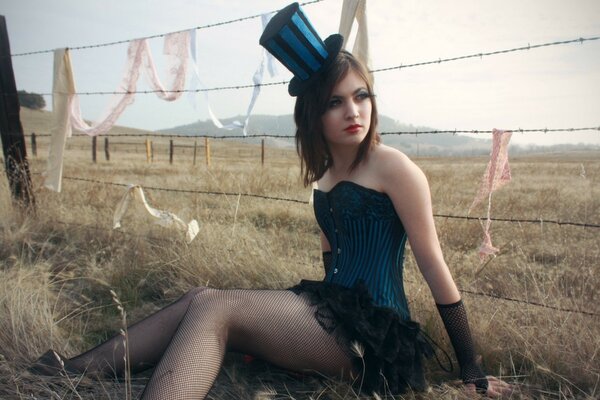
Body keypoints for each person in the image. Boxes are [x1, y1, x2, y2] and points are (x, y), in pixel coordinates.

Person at [31, 3, 512, 399]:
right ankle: (78, 370)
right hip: (328, 312)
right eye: (335, 102)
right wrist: (287, 325)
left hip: (372, 337)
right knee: (202, 297)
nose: (353, 111)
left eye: (361, 96)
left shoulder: (395, 167)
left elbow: (434, 267)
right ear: (314, 115)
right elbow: (331, 260)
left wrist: (472, 369)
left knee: (217, 307)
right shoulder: (325, 172)